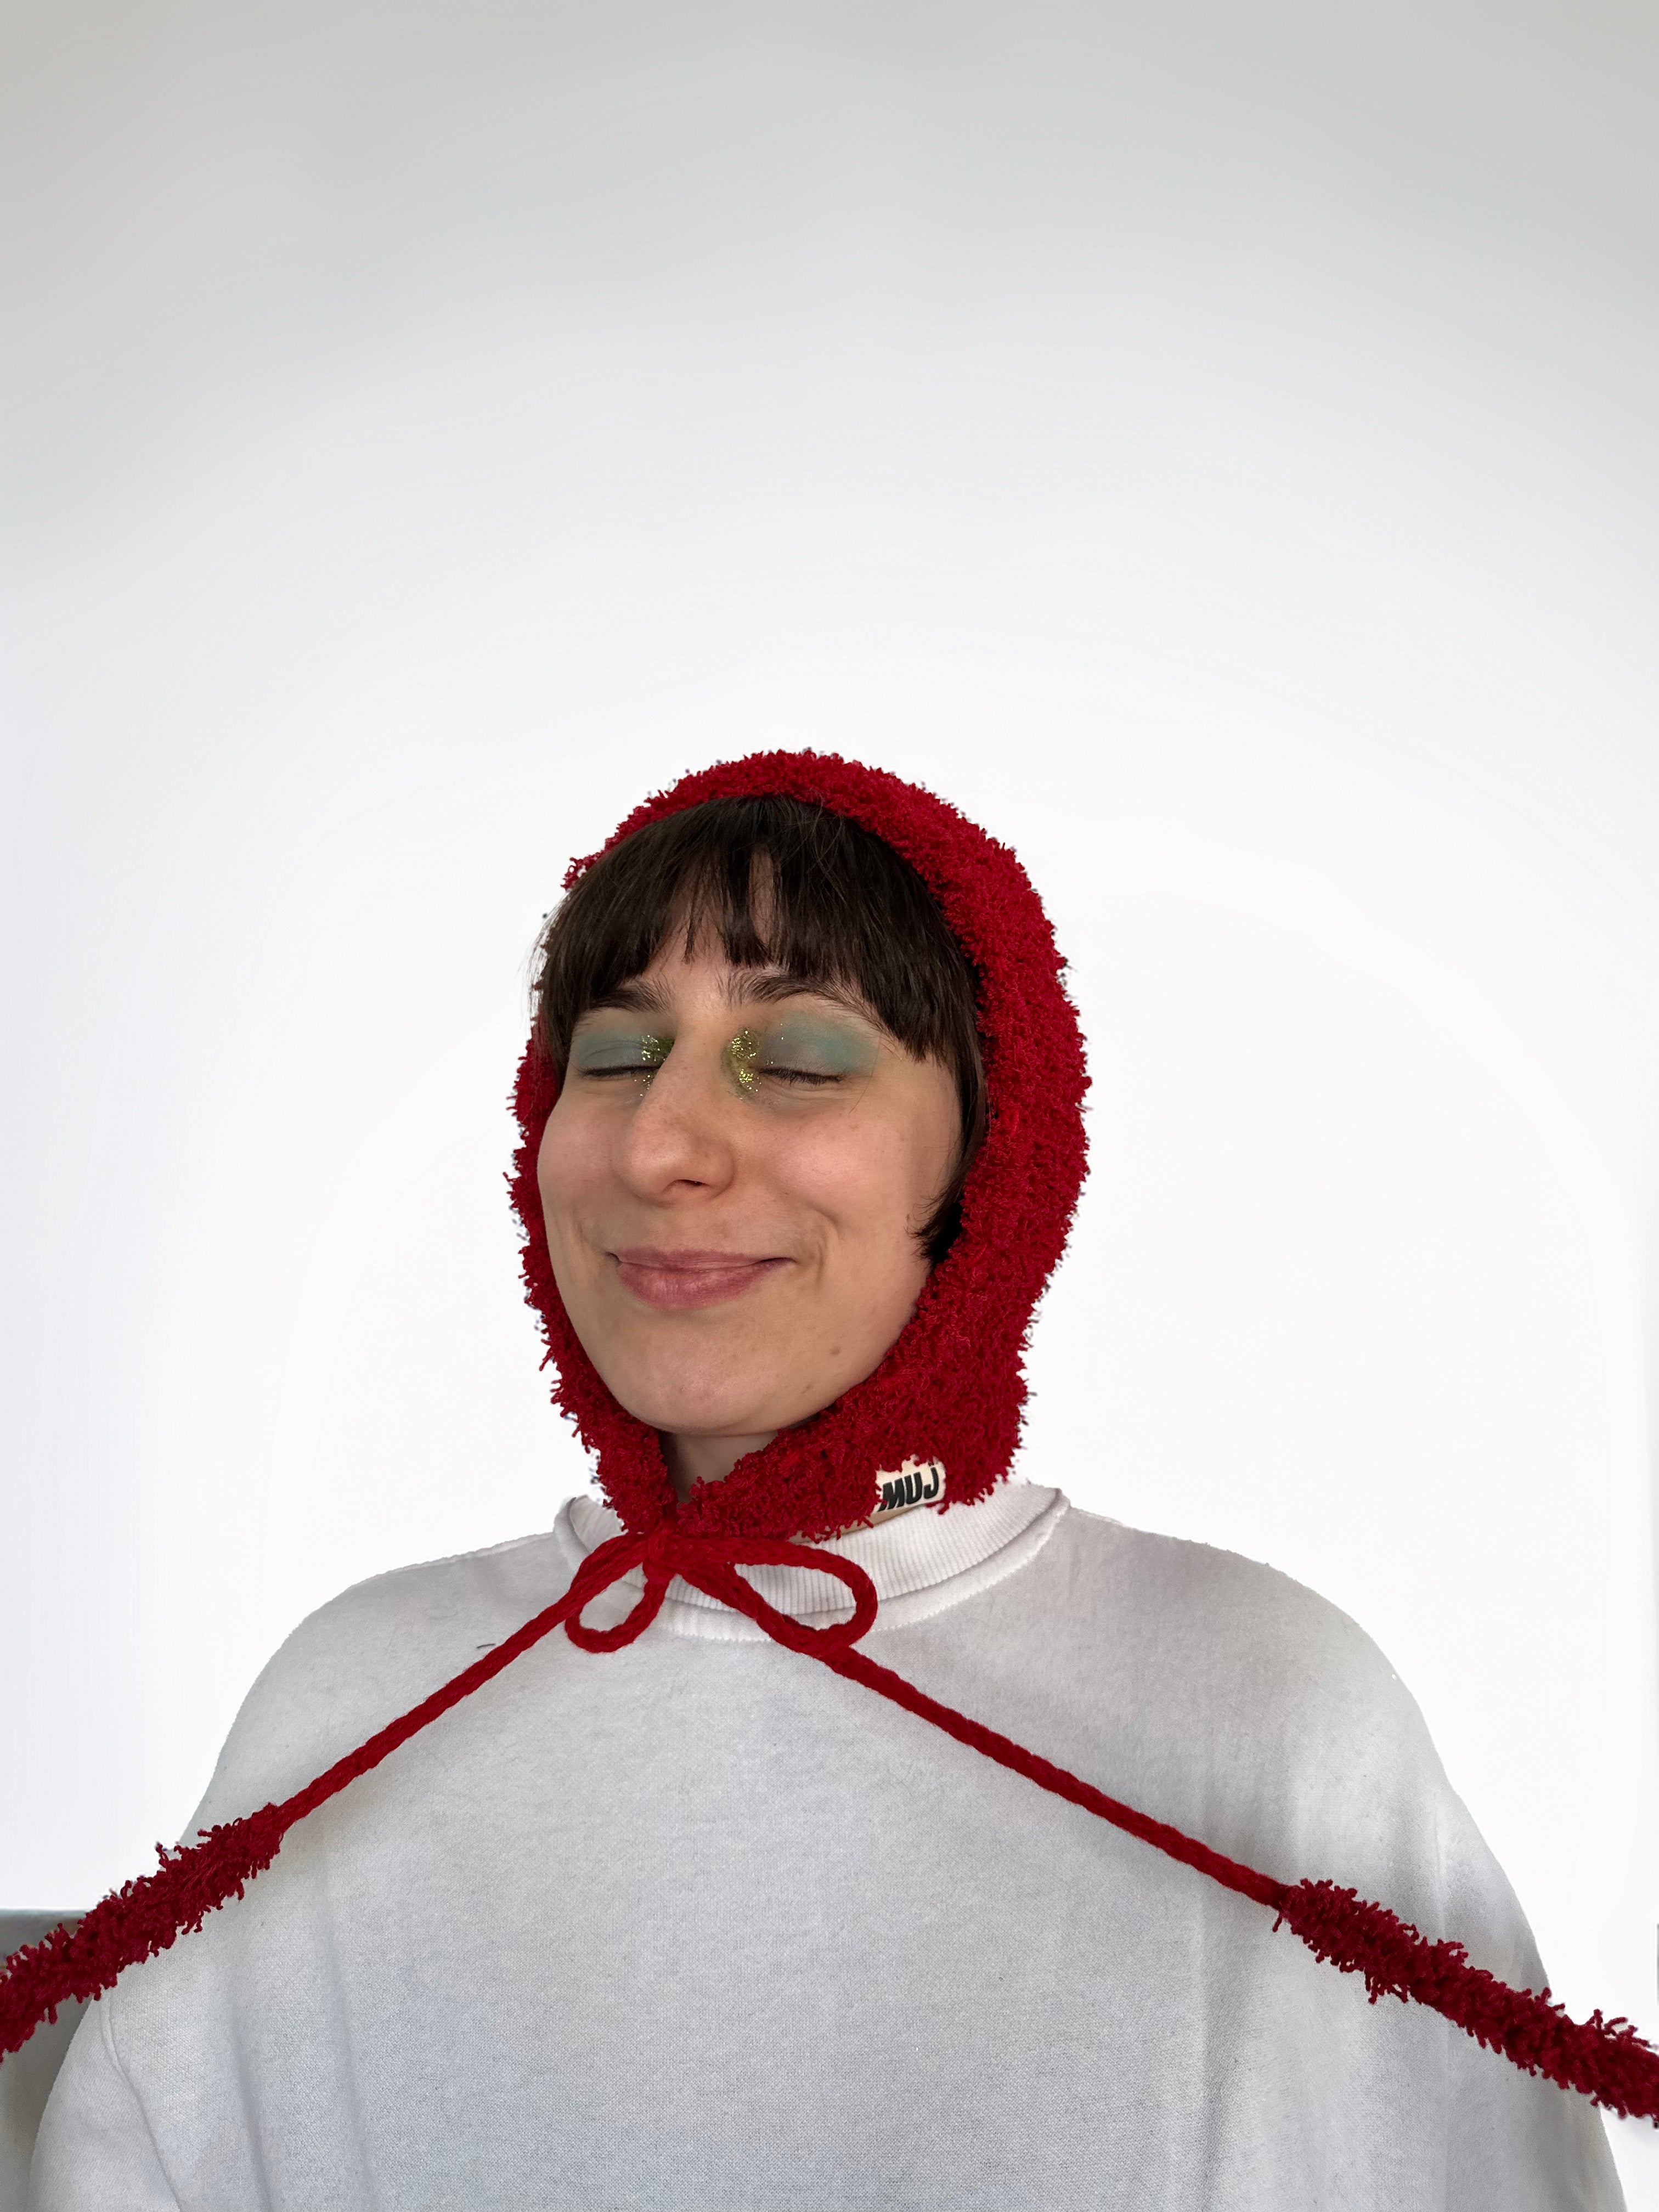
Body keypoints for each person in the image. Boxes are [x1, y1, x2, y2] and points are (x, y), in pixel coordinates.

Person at [29, 753, 1624, 2209]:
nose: (659, 1144)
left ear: (991, 1165)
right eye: (612, 1053)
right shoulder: (351, 1702)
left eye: (795, 1058)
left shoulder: (1265, 1710)